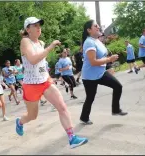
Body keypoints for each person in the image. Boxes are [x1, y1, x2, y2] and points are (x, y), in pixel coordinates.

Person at [16, 16, 88, 148]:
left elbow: (41, 64)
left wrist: (50, 76)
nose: (39, 28)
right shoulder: (25, 41)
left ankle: (72, 138)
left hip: (45, 81)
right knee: (32, 116)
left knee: (62, 107)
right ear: (28, 29)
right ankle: (20, 122)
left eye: (39, 25)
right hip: (31, 85)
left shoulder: (41, 43)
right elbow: (32, 60)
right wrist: (50, 47)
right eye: (35, 26)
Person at [80, 20, 128, 125]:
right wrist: (109, 60)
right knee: (90, 97)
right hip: (89, 76)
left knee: (118, 86)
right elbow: (93, 62)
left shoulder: (97, 40)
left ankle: (115, 109)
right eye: (95, 26)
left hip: (101, 72)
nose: (98, 27)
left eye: (98, 25)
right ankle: (84, 117)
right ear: (89, 30)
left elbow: (102, 56)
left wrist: (109, 65)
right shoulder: (89, 42)